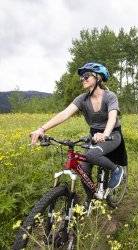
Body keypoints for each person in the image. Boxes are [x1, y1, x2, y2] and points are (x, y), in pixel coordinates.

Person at [30, 62, 128, 202]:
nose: (83, 79)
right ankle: (91, 198)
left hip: (112, 134)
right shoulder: (82, 99)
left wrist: (105, 134)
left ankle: (117, 170)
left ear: (98, 78)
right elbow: (64, 114)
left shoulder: (109, 96)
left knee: (92, 154)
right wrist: (42, 129)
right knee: (83, 167)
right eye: (82, 77)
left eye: (87, 76)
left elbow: (112, 118)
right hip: (94, 135)